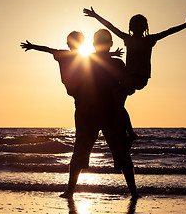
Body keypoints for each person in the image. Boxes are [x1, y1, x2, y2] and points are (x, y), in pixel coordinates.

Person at [83, 7, 186, 140]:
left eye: (139, 25)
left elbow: (169, 32)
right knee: (117, 100)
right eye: (134, 25)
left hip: (138, 78)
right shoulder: (131, 39)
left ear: (144, 28)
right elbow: (111, 26)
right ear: (131, 27)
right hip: (128, 77)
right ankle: (126, 130)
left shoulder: (148, 40)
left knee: (117, 97)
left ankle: (126, 131)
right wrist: (96, 15)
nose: (136, 27)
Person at [58, 29, 139, 199]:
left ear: (109, 44)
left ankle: (134, 192)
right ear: (94, 45)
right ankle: (70, 191)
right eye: (99, 42)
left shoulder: (115, 63)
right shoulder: (88, 61)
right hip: (91, 113)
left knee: (121, 154)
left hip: (106, 113)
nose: (102, 46)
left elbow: (126, 87)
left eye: (105, 42)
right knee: (81, 151)